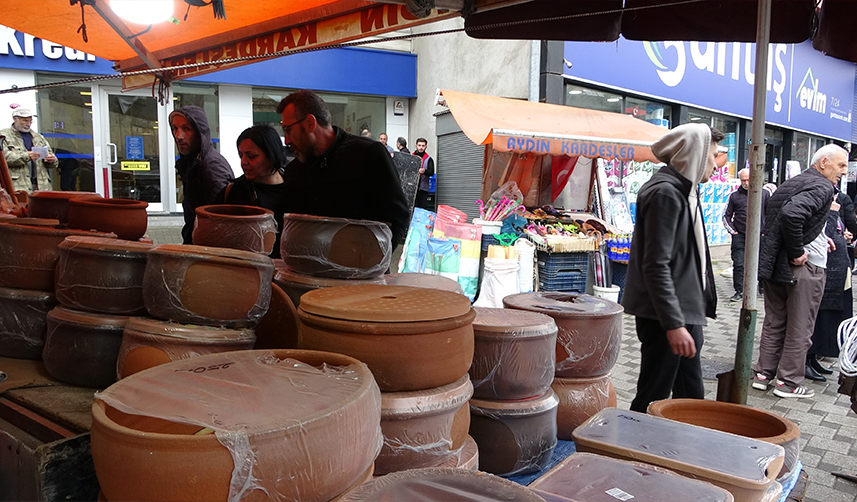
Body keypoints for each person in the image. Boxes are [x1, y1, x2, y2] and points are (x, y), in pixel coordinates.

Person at [622, 123, 721, 413]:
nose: (716, 165)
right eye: (712, 156)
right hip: (665, 315)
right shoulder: (666, 193)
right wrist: (674, 324)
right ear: (694, 154)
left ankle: (685, 449)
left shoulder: (684, 190)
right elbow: (655, 264)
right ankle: (631, 448)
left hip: (683, 311)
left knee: (690, 394)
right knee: (654, 393)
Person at [752, 144, 848, 399]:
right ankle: (788, 383)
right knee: (800, 327)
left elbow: (789, 218)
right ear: (824, 162)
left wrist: (817, 236)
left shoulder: (792, 183)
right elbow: (792, 214)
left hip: (775, 266)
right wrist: (797, 251)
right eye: (841, 165)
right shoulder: (822, 186)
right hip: (802, 268)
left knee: (775, 322)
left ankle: (763, 375)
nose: (843, 172)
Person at [276, 89, 410, 245]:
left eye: (288, 130)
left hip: (362, 266)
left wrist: (371, 262)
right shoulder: (294, 170)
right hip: (305, 268)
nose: (286, 141)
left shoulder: (368, 154)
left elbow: (397, 216)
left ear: (309, 123)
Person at [214, 125, 287, 258]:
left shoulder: (296, 186)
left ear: (272, 155)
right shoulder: (234, 192)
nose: (243, 162)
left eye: (251, 156)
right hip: (246, 271)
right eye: (240, 155)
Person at [170, 105, 234, 245]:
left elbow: (220, 218)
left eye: (186, 129)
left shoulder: (211, 166)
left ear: (200, 132)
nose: (178, 136)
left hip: (207, 248)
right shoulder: (192, 161)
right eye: (175, 128)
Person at [805, 192, 850, 382]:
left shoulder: (834, 211)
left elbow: (834, 232)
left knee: (829, 319)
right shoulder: (821, 212)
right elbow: (824, 234)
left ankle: (814, 358)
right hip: (824, 273)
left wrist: (843, 234)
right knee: (817, 319)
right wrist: (832, 213)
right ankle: (806, 360)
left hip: (838, 273)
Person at [723, 168, 770, 302]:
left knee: (762, 261)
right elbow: (726, 215)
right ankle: (739, 290)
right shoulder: (734, 196)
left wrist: (765, 231)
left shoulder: (765, 194)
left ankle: (762, 286)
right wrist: (734, 232)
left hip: (759, 235)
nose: (746, 182)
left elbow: (770, 214)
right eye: (743, 180)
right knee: (739, 263)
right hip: (740, 235)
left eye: (748, 179)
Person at [1, 107, 57, 192]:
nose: (28, 124)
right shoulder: (3, 136)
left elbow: (53, 160)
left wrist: (51, 160)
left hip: (41, 187)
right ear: (15, 119)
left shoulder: (38, 137)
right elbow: (4, 158)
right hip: (17, 187)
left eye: (30, 121)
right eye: (25, 121)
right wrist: (27, 155)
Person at [413, 137, 435, 210]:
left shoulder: (429, 159)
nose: (421, 147)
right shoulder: (411, 156)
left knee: (421, 208)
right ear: (416, 146)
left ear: (426, 147)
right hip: (412, 188)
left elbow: (431, 172)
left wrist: (424, 171)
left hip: (423, 189)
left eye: (423, 146)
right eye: (419, 145)